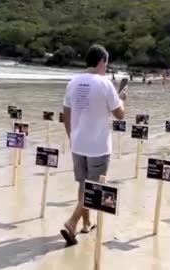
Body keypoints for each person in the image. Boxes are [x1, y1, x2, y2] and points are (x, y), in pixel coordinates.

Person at [61, 44, 127, 245]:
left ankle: (87, 221)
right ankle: (72, 223)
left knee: (83, 184)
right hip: (98, 146)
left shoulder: (73, 82)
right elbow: (120, 115)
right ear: (101, 62)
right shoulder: (104, 83)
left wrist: (71, 137)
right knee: (94, 187)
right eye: (106, 63)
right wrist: (122, 98)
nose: (106, 67)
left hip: (77, 143)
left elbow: (66, 114)